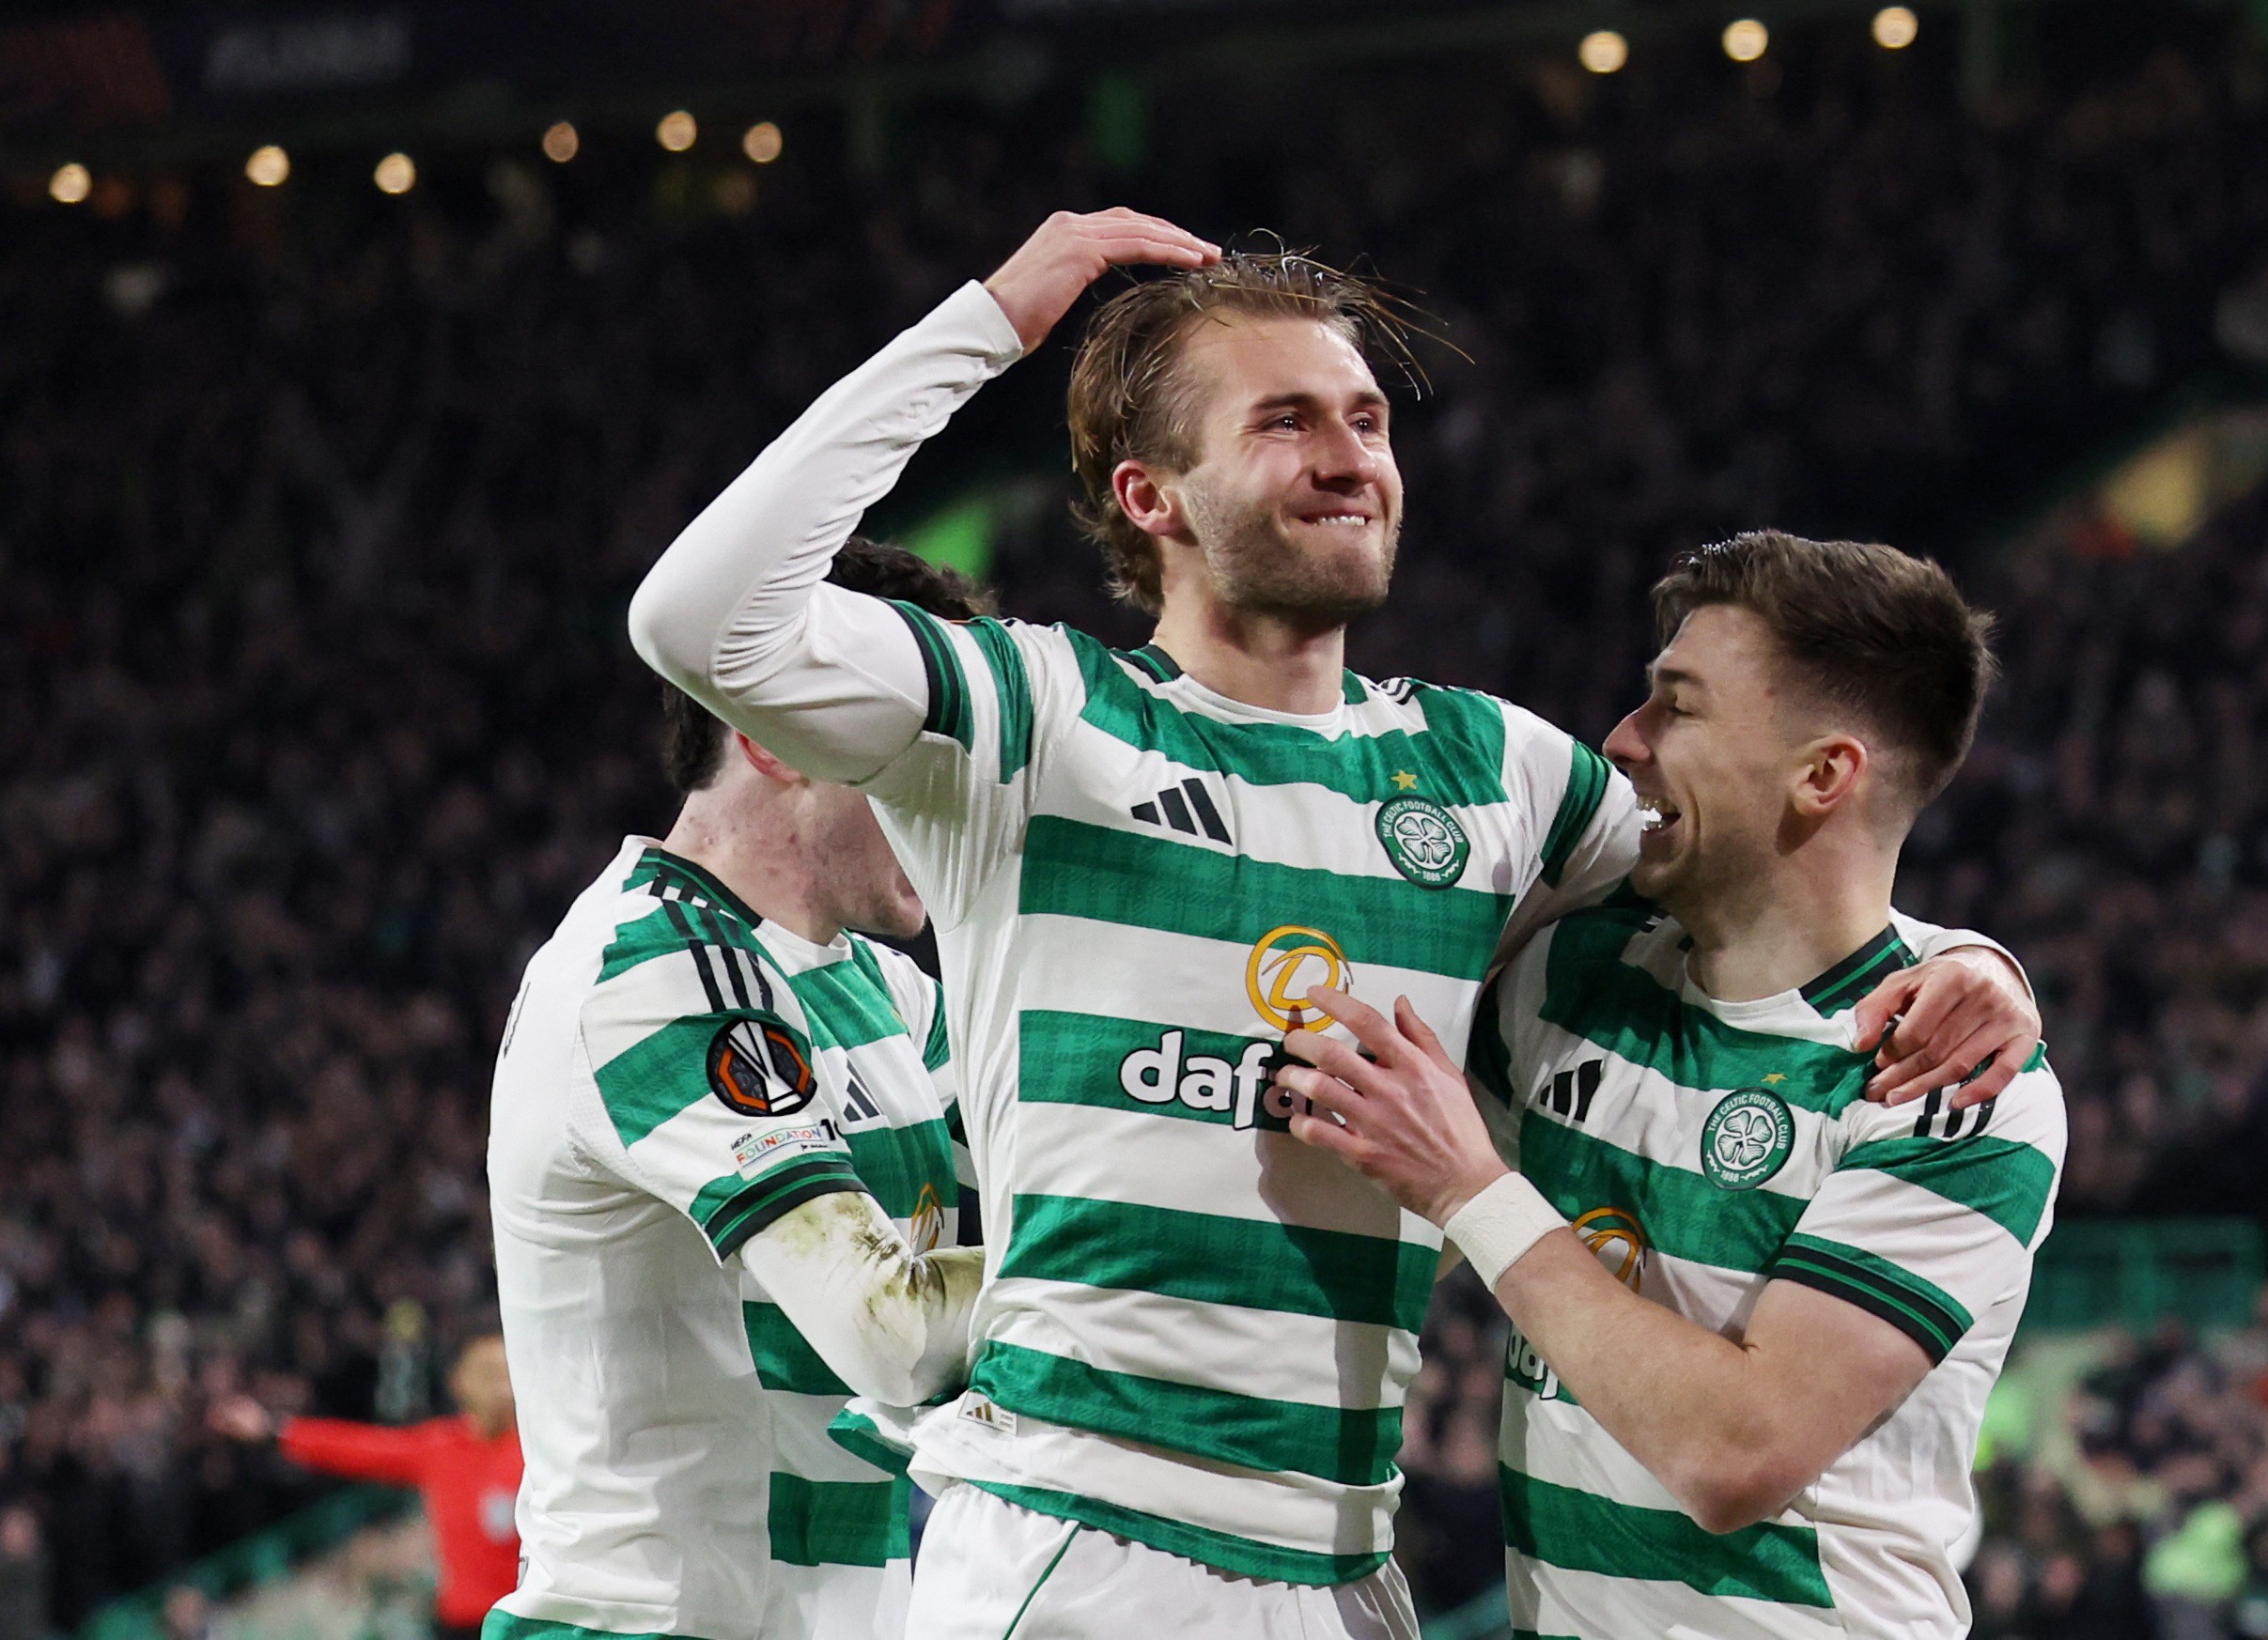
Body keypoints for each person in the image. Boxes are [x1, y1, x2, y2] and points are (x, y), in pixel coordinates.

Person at [628, 211, 2040, 1637]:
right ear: (1152, 496)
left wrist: (1972, 966)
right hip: (1089, 1545)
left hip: (1350, 1572)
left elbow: (1770, 895)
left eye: (1366, 417)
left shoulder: (1500, 777)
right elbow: (704, 621)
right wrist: (991, 318)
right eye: (1287, 421)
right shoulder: (1026, 718)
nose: (1350, 455)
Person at [1271, 531, 2069, 1639]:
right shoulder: (1573, 971)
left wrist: (1470, 1186)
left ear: (1823, 773)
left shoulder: (1952, 1085)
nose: (1623, 740)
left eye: (1677, 707)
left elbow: (1735, 1452)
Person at [485, 540, 985, 1640]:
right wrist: (1143, 1266)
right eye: (925, 753)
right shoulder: (651, 970)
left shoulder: (882, 990)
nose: (963, 799)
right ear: (773, 738)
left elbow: (1061, 1176)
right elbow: (891, 1331)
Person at [210, 1336, 522, 1640]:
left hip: (518, 1616)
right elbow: (359, 1448)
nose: (498, 1391)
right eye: (490, 1379)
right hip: (469, 1620)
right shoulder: (443, 1447)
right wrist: (274, 1431)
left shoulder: (531, 1452)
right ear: (463, 1386)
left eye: (503, 1378)